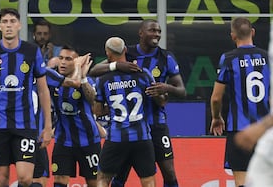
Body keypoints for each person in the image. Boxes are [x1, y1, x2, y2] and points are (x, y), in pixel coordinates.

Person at [90, 20, 186, 187]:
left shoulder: (166, 57)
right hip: (131, 126)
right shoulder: (129, 53)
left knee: (169, 171)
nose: (156, 34)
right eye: (152, 30)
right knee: (121, 175)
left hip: (156, 124)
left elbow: (182, 91)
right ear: (141, 33)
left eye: (158, 31)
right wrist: (117, 65)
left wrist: (166, 87)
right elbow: (94, 70)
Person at [0, 8, 53, 187]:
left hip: (25, 124)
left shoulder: (31, 51)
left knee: (25, 178)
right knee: (1, 180)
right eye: (5, 22)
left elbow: (43, 90)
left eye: (13, 22)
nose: (9, 25)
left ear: (19, 25)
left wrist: (47, 126)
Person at [94, 37, 162, 187]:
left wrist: (112, 107)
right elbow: (158, 100)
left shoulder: (103, 80)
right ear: (125, 50)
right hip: (142, 137)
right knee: (148, 180)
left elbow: (97, 111)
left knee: (103, 178)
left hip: (116, 138)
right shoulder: (143, 74)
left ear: (107, 53)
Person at [210, 17, 270, 187]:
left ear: (233, 36)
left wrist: (216, 117)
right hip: (265, 130)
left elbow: (216, 97)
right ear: (253, 33)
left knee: (241, 181)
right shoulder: (267, 58)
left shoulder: (228, 59)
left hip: (239, 130)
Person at [49, 45, 101, 187]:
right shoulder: (54, 80)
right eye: (61, 58)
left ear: (77, 62)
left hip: (88, 140)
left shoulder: (87, 81)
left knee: (93, 182)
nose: (63, 62)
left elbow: (92, 100)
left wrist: (82, 75)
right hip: (63, 140)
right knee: (59, 180)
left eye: (68, 59)